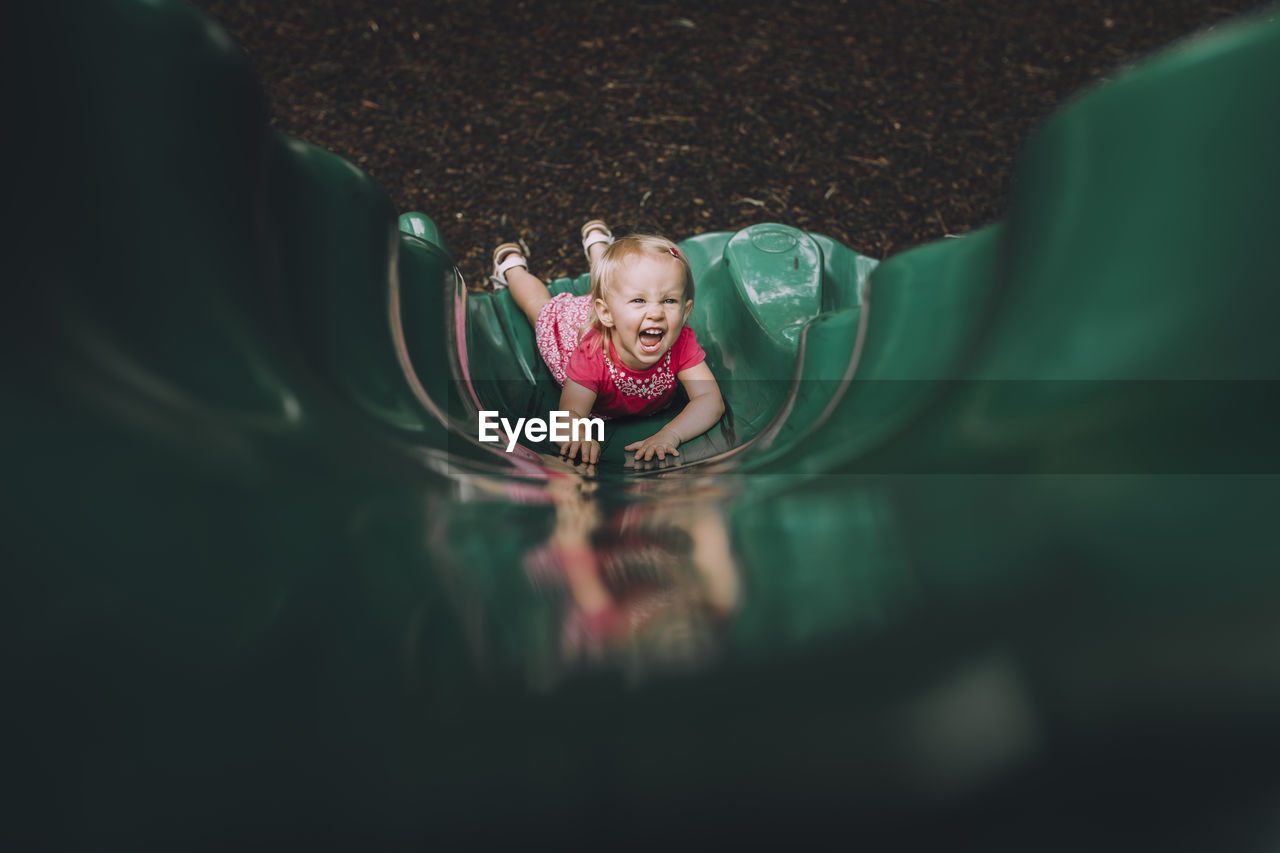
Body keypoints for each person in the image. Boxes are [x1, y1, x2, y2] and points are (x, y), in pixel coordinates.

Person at [492, 220, 724, 464]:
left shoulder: (681, 343)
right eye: (639, 300)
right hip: (574, 328)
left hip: (618, 313)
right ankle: (512, 268)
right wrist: (577, 437)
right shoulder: (592, 355)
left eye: (669, 301)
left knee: (612, 284)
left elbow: (709, 399)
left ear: (686, 311)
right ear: (606, 314)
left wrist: (670, 435)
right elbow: (568, 415)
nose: (656, 313)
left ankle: (598, 246)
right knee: (538, 307)